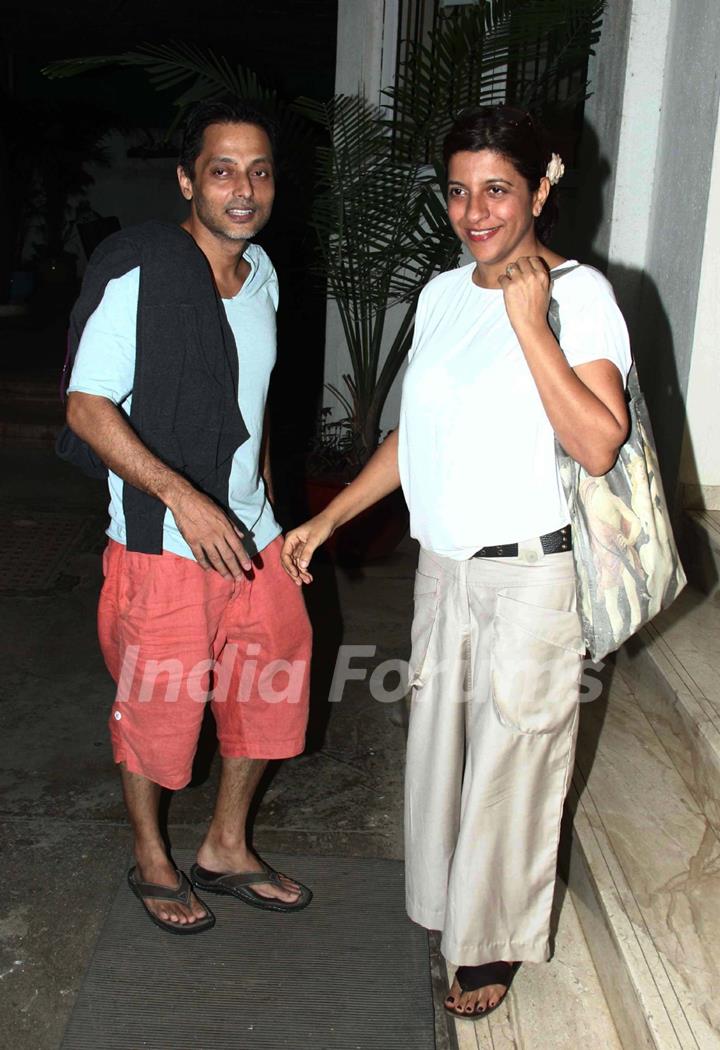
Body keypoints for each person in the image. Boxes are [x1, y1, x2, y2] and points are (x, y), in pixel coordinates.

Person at [281, 106, 631, 1017]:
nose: (476, 212)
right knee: (439, 751)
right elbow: (411, 435)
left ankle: (496, 942)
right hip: (445, 567)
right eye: (461, 191)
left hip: (532, 574)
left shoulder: (579, 296)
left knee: (517, 758)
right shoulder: (439, 296)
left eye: (498, 190)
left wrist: (530, 324)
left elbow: (598, 443)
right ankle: (446, 906)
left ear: (541, 191)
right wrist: (333, 520)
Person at [66, 100, 313, 934]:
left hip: (254, 537)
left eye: (260, 171)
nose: (243, 189)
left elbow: (258, 400)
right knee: (159, 710)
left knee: (269, 691)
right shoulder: (144, 271)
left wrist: (270, 508)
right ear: (186, 180)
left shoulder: (265, 274)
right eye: (222, 170)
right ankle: (151, 858)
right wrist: (184, 498)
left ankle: (226, 847)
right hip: (166, 544)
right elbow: (87, 405)